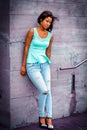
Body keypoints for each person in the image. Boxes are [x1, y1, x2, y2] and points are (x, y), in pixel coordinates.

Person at [20, 10, 57, 129]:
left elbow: (48, 51)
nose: (48, 24)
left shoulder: (50, 36)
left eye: (50, 22)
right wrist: (23, 65)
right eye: (46, 21)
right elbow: (26, 47)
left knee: (48, 91)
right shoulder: (32, 31)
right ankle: (42, 116)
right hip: (32, 65)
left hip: (45, 65)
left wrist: (48, 63)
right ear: (41, 19)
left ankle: (49, 118)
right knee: (45, 90)